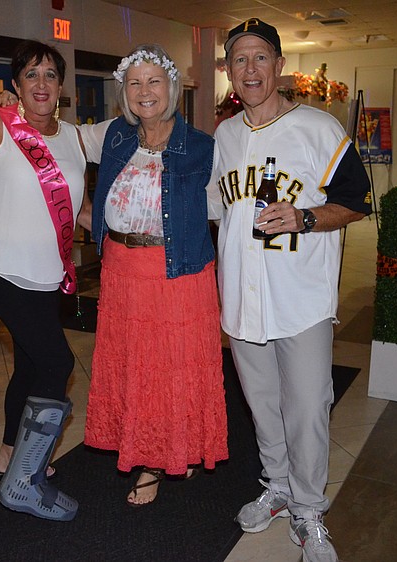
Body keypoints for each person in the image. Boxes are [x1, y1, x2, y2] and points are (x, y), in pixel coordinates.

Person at [207, 19, 372, 562]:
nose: (249, 69)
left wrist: (304, 216)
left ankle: (308, 508)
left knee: (307, 408)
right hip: (243, 300)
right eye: (239, 60)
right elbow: (215, 211)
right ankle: (276, 486)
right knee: (263, 405)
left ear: (279, 66)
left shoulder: (320, 128)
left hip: (300, 298)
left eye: (260, 58)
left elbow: (355, 201)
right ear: (228, 71)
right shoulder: (224, 137)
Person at [0, 40, 88, 522]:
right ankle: (24, 482)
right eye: (31, 74)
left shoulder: (72, 136)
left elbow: (75, 204)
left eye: (50, 74)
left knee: (29, 366)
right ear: (16, 86)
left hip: (47, 273)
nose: (42, 83)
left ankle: (9, 456)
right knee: (58, 361)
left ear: (62, 87)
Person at [79, 44, 228, 506]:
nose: (145, 92)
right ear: (124, 92)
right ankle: (141, 448)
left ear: (172, 88)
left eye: (154, 81)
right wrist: (16, 109)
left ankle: (159, 460)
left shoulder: (204, 145)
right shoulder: (114, 137)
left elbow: (230, 209)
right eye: (134, 83)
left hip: (178, 276)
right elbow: (54, 137)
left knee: (172, 371)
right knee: (135, 371)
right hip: (122, 273)